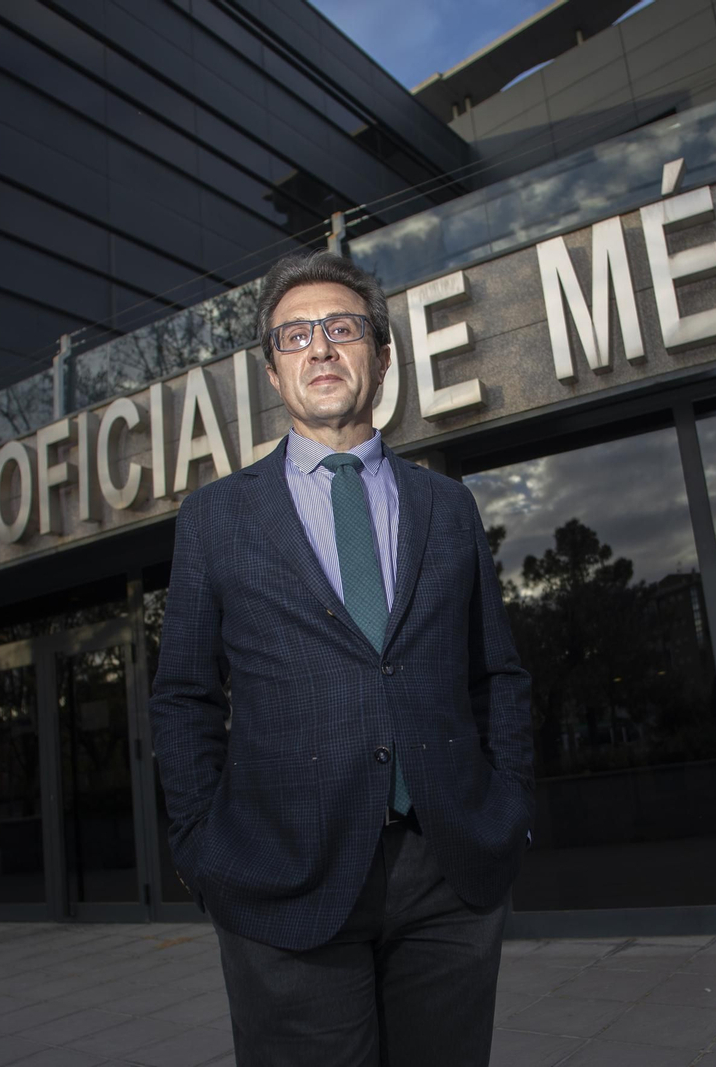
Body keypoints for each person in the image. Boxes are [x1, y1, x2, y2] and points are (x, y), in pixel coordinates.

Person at [149, 249, 533, 1066]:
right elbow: (182, 696)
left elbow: (496, 673)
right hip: (284, 876)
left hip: (447, 875)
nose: (319, 348)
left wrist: (509, 808)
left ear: (382, 355)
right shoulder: (216, 517)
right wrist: (201, 847)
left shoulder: (447, 504)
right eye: (295, 336)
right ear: (273, 372)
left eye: (341, 328)